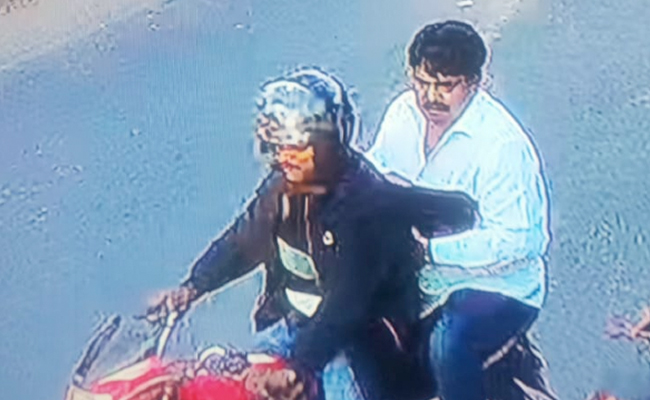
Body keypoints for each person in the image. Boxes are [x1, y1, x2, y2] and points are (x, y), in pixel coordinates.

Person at [148, 66, 477, 400]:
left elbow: (346, 305)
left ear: (329, 141)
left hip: (358, 342)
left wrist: (301, 366)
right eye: (278, 146)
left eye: (297, 146)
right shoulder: (282, 189)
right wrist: (194, 286)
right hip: (295, 326)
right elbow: (242, 241)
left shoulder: (366, 207)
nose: (283, 157)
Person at [365, 20, 553, 400]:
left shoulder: (501, 147)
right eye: (422, 83)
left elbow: (522, 241)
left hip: (497, 286)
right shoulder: (402, 113)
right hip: (418, 278)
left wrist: (431, 252)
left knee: (449, 343)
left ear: (475, 83)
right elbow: (374, 174)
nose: (430, 98)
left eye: (446, 86)